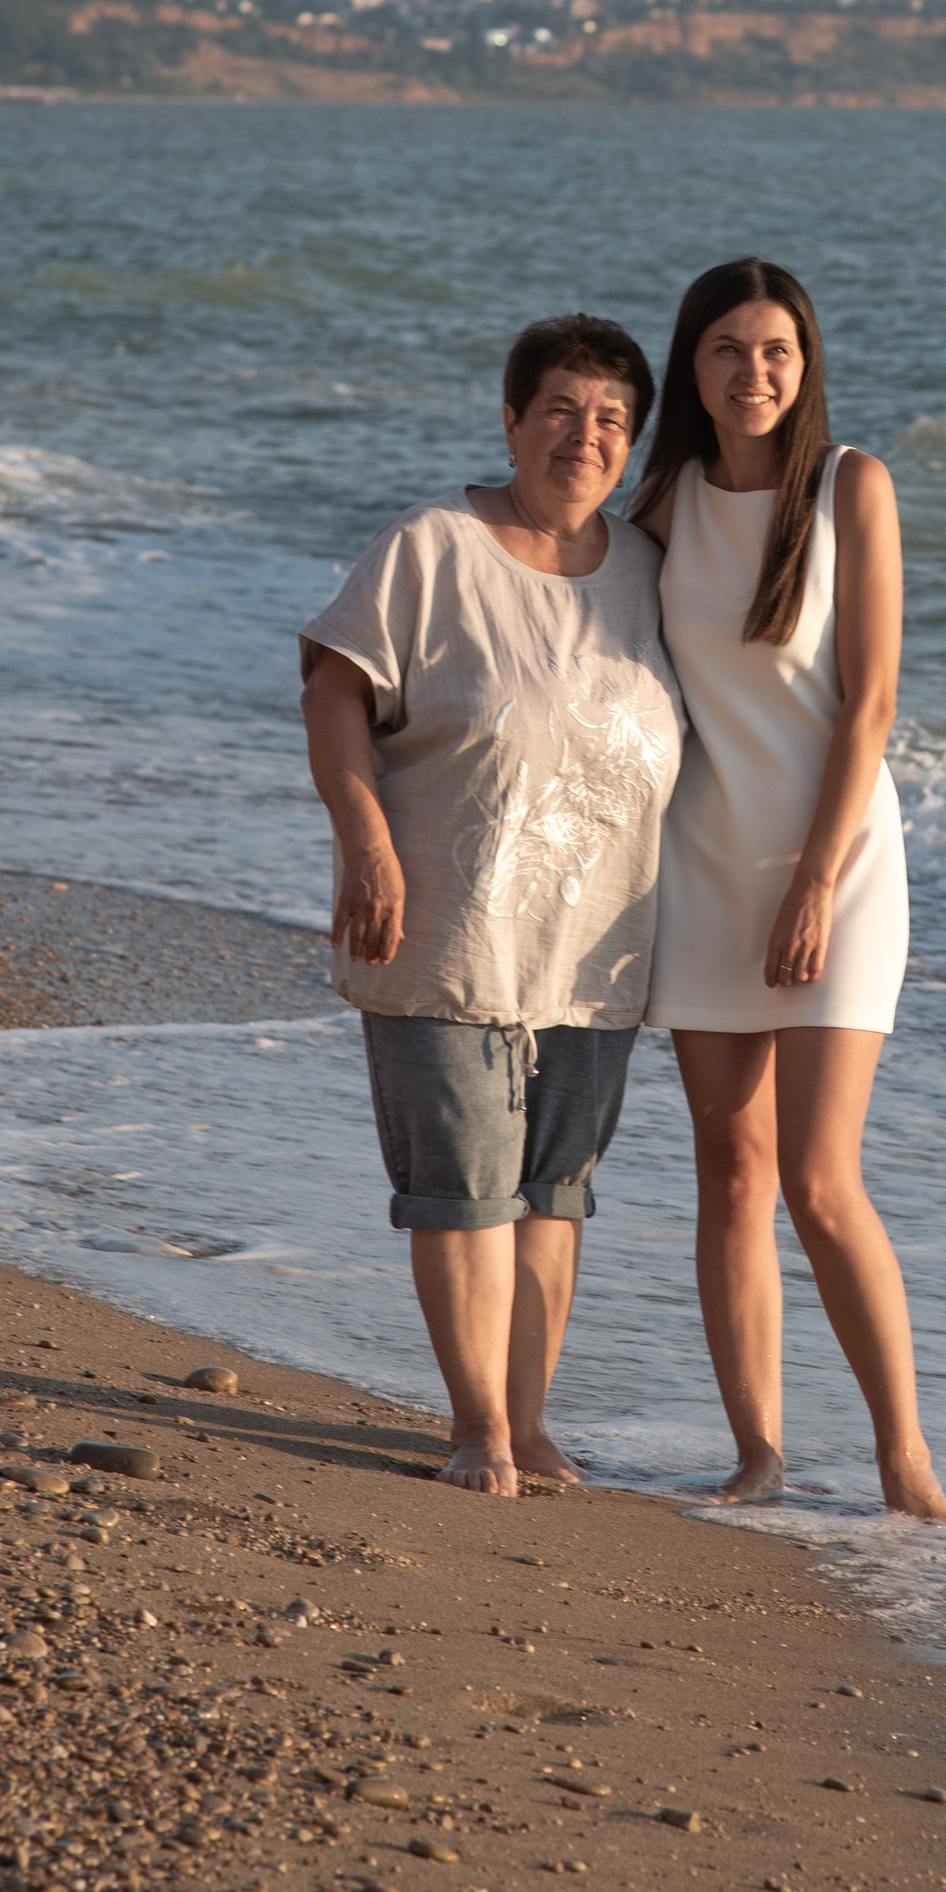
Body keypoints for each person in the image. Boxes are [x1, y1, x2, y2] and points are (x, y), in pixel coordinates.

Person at [299, 313, 681, 1497]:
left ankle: (530, 1419)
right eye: (560, 408)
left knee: (553, 1189)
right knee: (461, 1182)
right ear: (511, 419)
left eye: (613, 418)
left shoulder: (648, 571)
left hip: (596, 940)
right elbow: (331, 689)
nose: (585, 433)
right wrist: (364, 843)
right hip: (443, 922)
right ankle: (476, 1428)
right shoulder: (433, 545)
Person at [634, 258, 946, 1523]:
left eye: (775, 350)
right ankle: (758, 1455)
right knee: (729, 1169)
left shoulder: (850, 486)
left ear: (806, 361)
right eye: (725, 349)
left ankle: (903, 1457)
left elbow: (870, 703)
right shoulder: (663, 499)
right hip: (706, 861)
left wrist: (815, 881)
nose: (752, 373)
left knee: (821, 1178)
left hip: (839, 862)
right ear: (690, 364)